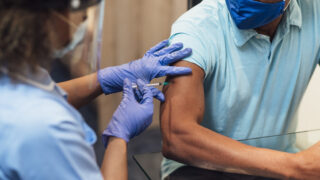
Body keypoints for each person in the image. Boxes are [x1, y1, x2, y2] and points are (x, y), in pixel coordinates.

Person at [0, 0, 192, 179]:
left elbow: (40, 94)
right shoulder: (48, 129)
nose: (82, 21)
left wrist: (106, 79)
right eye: (71, 10)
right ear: (46, 19)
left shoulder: (12, 72)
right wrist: (118, 137)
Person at [160, 0, 320, 179]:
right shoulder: (197, 27)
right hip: (203, 167)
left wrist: (297, 165)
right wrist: (294, 166)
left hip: (282, 162)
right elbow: (177, 136)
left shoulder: (314, 11)